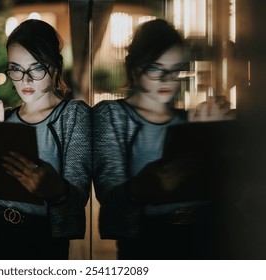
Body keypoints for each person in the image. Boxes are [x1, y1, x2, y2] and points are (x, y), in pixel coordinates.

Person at [0, 19, 92, 260]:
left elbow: (78, 198)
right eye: (15, 68)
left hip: (37, 242)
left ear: (55, 67)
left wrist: (55, 190)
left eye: (36, 68)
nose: (24, 80)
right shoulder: (3, 117)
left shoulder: (74, 114)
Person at [93, 19, 233, 259]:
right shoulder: (113, 115)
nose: (168, 80)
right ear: (135, 68)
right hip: (148, 243)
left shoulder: (189, 118)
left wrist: (219, 136)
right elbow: (111, 199)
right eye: (156, 69)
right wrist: (147, 186)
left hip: (204, 237)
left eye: (175, 69)